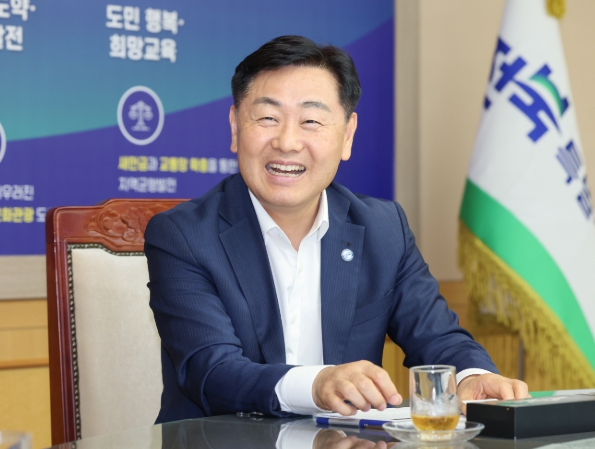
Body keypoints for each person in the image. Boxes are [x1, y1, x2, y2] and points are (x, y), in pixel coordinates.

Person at [145, 35, 528, 424]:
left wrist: (471, 376)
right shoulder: (183, 235)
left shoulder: (382, 229)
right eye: (267, 118)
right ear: (235, 127)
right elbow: (211, 371)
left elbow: (437, 336)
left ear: (347, 136)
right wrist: (316, 385)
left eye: (311, 121)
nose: (287, 142)